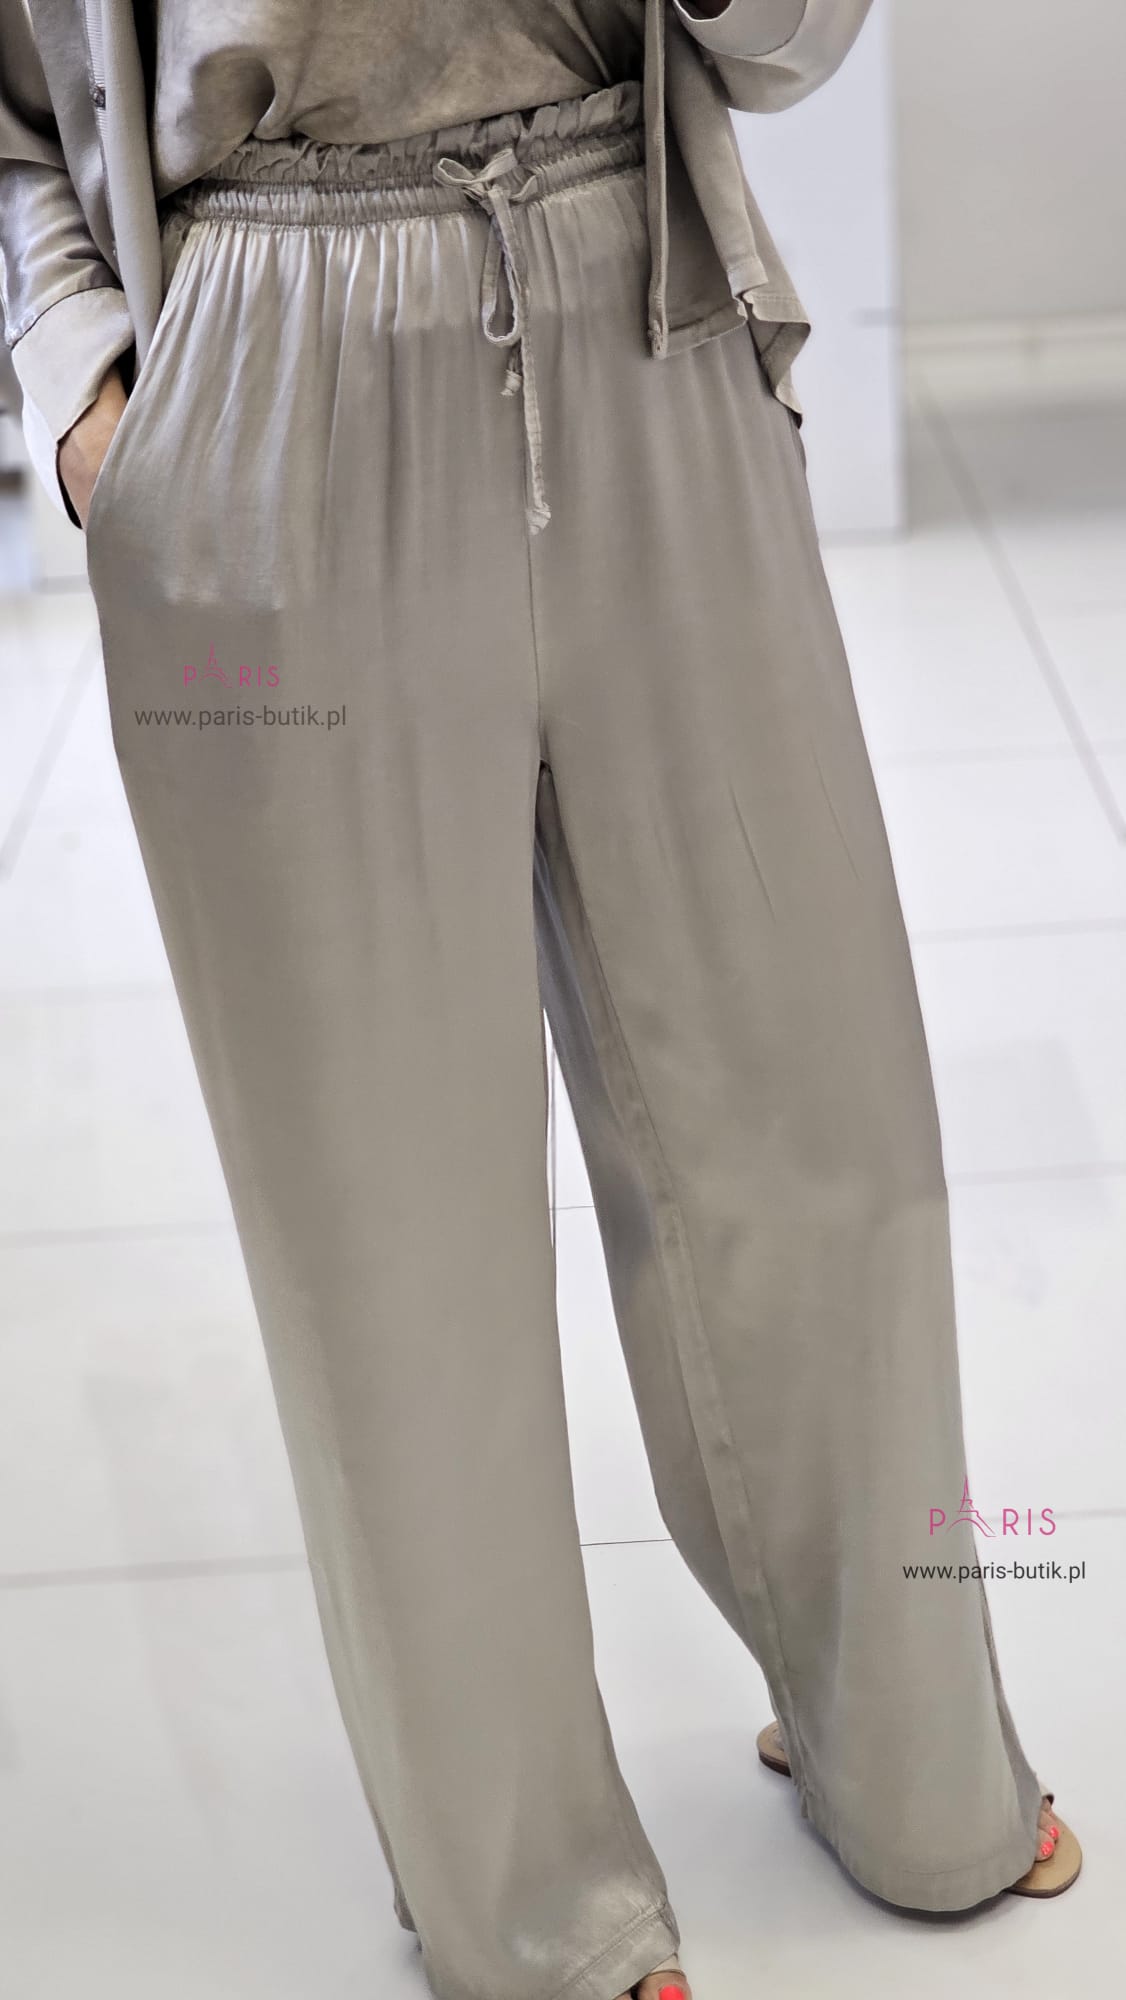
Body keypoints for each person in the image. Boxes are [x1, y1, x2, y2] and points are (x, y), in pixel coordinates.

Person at [1, 5, 1080, 1998]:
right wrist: (81, 375)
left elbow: (788, 41)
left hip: (636, 278)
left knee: (820, 1113)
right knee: (389, 1230)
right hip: (266, 345)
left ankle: (910, 1743)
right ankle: (529, 1903)